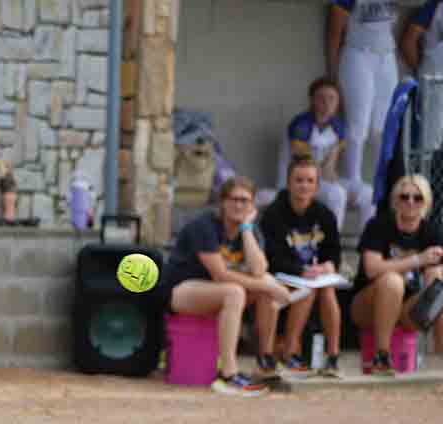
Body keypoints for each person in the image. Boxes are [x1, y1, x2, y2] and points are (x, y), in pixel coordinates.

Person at [161, 176, 293, 397]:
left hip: (215, 291)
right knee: (236, 291)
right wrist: (271, 286)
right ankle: (229, 373)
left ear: (253, 206)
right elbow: (220, 274)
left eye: (245, 201)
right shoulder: (204, 226)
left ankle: (264, 361)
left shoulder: (248, 229)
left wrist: (248, 229)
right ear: (222, 202)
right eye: (234, 199)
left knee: (264, 290)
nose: (239, 205)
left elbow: (259, 269)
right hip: (181, 291)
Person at [350, 174, 443, 375]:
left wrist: (434, 277)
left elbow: (434, 285)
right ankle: (381, 357)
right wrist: (417, 260)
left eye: (417, 198)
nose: (410, 202)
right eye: (404, 197)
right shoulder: (379, 225)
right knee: (392, 281)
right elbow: (372, 269)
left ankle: (440, 359)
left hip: (406, 311)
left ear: (425, 202)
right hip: (367, 306)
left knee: (440, 283)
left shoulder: (431, 231)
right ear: (395, 200)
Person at [260, 158, 344, 378]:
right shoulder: (273, 214)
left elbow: (334, 251)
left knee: (326, 289)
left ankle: (333, 356)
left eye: (309, 181)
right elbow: (272, 258)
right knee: (307, 289)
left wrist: (329, 265)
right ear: (288, 183)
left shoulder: (325, 215)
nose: (304, 186)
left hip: (313, 277)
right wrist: (302, 271)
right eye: (298, 180)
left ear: (317, 186)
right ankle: (288, 350)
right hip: (282, 276)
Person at [274, 77, 376, 232]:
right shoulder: (301, 125)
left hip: (322, 179)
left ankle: (367, 245)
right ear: (312, 100)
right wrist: (335, 183)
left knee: (368, 194)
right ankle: (332, 244)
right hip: (298, 181)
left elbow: (331, 167)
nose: (327, 103)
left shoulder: (338, 126)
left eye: (332, 98)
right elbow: (305, 167)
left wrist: (344, 186)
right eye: (321, 98)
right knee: (337, 193)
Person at [326, 1, 399, 197]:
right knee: (358, 124)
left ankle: (382, 183)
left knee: (383, 127)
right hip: (358, 54)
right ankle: (353, 180)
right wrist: (332, 73)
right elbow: (334, 31)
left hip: (387, 55)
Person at [401, 3, 443, 152]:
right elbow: (408, 41)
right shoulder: (435, 7)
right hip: (435, 78)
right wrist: (421, 71)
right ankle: (429, 171)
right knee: (432, 135)